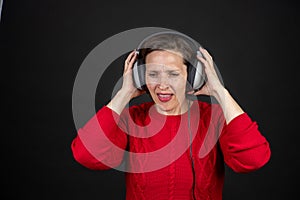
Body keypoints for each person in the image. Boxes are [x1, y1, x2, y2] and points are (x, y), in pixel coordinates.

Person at [71, 31, 271, 200]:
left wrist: (220, 92)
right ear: (140, 77)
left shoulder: (215, 117)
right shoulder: (131, 118)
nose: (162, 85)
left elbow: (253, 160)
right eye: (152, 74)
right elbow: (86, 155)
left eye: (173, 74)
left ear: (193, 76)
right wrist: (123, 94)